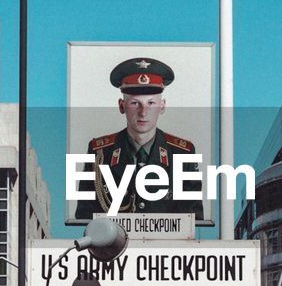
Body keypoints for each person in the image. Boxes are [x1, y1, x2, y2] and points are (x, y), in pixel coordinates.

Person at [74, 58, 203, 219]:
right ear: (122, 106)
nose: (143, 112)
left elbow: (192, 219)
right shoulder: (100, 153)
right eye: (135, 103)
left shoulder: (182, 153)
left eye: (151, 103)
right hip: (114, 244)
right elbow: (86, 216)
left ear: (162, 106)